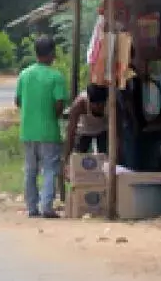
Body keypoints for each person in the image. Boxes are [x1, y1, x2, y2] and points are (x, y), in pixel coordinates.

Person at [15, 36, 68, 218]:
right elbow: (59, 104)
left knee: (30, 170)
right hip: (49, 131)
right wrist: (52, 115)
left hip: (27, 131)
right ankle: (47, 206)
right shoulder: (56, 76)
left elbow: (18, 100)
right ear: (52, 53)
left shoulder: (24, 74)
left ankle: (32, 208)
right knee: (49, 169)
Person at [63, 83, 109, 162]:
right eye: (95, 105)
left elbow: (117, 134)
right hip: (84, 130)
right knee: (77, 157)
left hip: (103, 129)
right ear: (89, 101)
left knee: (105, 158)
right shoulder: (79, 104)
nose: (98, 108)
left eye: (101, 106)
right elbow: (71, 132)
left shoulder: (111, 105)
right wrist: (66, 158)